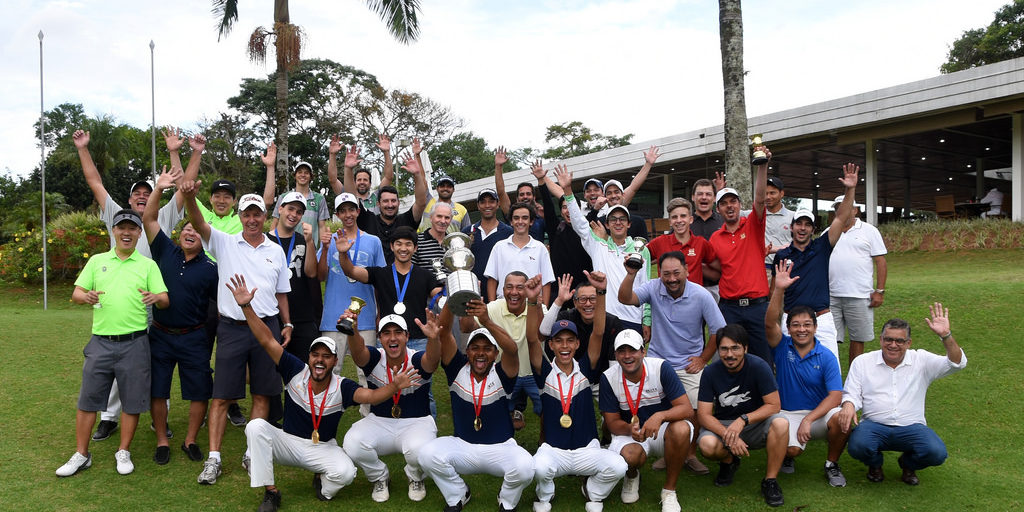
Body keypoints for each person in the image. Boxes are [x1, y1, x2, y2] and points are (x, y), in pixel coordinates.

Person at [224, 275, 416, 512]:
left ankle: (322, 482)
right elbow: (266, 339)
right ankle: (271, 492)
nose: (320, 361)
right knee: (255, 427)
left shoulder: (342, 386)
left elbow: (372, 398)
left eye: (326, 356)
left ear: (335, 360)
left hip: (322, 447)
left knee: (346, 473)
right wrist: (246, 306)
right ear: (309, 357)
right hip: (289, 443)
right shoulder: (295, 369)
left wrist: (394, 386)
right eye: (316, 355)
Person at [74, 128, 194, 440]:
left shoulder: (161, 216)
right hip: (119, 305)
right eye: (137, 193)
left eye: (147, 192)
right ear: (128, 200)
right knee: (114, 356)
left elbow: (183, 188)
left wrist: (177, 152)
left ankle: (159, 418)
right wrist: (84, 148)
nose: (142, 196)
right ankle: (110, 417)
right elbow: (95, 183)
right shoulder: (117, 215)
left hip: (156, 301)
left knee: (157, 362)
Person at [182, 180, 293, 485]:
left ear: (264, 214)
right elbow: (199, 222)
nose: (253, 219)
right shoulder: (225, 242)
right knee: (221, 396)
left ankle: (250, 453)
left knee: (261, 392)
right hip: (232, 327)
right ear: (240, 216)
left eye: (258, 213)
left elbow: (282, 292)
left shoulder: (275, 250)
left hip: (268, 327)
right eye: (247, 214)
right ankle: (214, 458)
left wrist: (287, 323)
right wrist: (190, 197)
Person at [57, 209, 169, 477]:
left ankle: (124, 451)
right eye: (122, 228)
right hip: (101, 342)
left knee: (132, 401)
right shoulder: (97, 261)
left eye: (132, 229)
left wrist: (156, 298)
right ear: (114, 231)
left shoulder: (148, 265)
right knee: (88, 400)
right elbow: (76, 292)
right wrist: (86, 298)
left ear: (139, 233)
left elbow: (165, 298)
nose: (126, 233)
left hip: (136, 342)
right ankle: (81, 454)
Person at [524, 271, 626, 512]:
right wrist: (531, 301)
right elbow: (531, 339)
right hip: (554, 451)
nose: (565, 346)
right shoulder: (545, 372)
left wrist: (601, 293)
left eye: (570, 340)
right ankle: (545, 494)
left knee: (619, 466)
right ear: (551, 345)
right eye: (559, 341)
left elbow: (599, 332)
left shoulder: (586, 369)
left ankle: (593, 492)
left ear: (578, 344)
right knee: (535, 467)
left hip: (587, 450)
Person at [418, 302, 534, 512]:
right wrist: (453, 299)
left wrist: (487, 321)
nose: (481, 354)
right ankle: (458, 493)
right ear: (467, 351)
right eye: (475, 348)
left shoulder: (503, 373)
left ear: (495, 354)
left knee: (526, 468)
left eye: (487, 349)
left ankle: (506, 500)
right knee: (426, 454)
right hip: (463, 446)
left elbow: (511, 348)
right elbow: (443, 334)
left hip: (501, 448)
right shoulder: (457, 369)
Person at [619, 251, 726, 475]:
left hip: (690, 364)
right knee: (657, 407)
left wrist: (703, 359)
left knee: (695, 408)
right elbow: (625, 298)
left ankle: (689, 454)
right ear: (659, 274)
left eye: (676, 273)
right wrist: (630, 274)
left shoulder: (701, 295)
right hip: (658, 360)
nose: (671, 279)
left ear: (686, 271)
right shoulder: (653, 287)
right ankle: (668, 452)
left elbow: (719, 330)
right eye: (666, 274)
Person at [837, 305, 966, 486]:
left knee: (937, 453)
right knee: (858, 446)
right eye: (888, 339)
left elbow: (957, 363)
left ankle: (908, 465)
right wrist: (849, 404)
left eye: (899, 341)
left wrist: (946, 336)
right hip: (874, 425)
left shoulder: (921, 360)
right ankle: (875, 465)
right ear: (881, 340)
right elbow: (851, 392)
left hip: (912, 427)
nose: (893, 345)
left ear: (908, 343)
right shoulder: (863, 362)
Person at [142, 168, 219, 465]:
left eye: (196, 231)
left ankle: (189, 440)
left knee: (199, 391)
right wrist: (159, 188)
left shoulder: (211, 268)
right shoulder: (165, 251)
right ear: (180, 233)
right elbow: (149, 219)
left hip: (195, 337)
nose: (190, 233)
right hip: (160, 334)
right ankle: (162, 439)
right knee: (158, 389)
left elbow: (220, 301)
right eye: (187, 229)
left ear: (203, 239)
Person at [341, 311, 440, 503]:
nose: (393, 338)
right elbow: (358, 352)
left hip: (416, 422)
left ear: (407, 336)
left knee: (420, 450)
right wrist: (352, 330)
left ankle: (415, 476)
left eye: (398, 332)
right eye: (386, 333)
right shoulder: (373, 358)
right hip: (380, 422)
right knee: (352, 443)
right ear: (379, 338)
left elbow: (433, 361)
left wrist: (434, 339)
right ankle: (379, 476)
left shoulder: (417, 359)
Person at [766, 260, 849, 487]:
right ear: (789, 328)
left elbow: (835, 396)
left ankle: (832, 464)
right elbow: (770, 323)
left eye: (806, 325)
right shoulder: (782, 346)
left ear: (815, 327)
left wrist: (809, 419)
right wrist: (779, 289)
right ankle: (788, 455)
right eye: (795, 325)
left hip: (818, 415)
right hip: (788, 413)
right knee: (792, 450)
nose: (801, 329)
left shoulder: (826, 356)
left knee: (843, 421)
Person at [550, 164, 652, 341]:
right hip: (604, 318)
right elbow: (578, 222)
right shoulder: (598, 245)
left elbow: (647, 285)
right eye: (613, 219)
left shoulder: (640, 250)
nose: (618, 223)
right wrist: (567, 189)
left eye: (622, 219)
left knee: (631, 365)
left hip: (633, 319)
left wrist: (647, 320)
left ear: (629, 224)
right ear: (607, 223)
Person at [771, 165, 859, 364]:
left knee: (830, 369)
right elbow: (774, 294)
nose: (802, 228)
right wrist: (775, 325)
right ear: (791, 227)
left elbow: (841, 217)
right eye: (799, 224)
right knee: (792, 371)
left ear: (813, 229)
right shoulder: (782, 256)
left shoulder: (823, 246)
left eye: (807, 224)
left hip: (822, 320)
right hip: (791, 321)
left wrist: (850, 189)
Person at [598, 330, 693, 512]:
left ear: (643, 351)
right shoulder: (608, 377)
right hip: (631, 433)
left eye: (632, 350)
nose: (627, 356)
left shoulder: (661, 368)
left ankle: (669, 491)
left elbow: (686, 409)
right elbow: (611, 423)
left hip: (661, 429)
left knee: (681, 429)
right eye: (622, 351)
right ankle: (632, 475)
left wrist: (660, 416)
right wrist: (629, 429)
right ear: (616, 354)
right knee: (631, 456)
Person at [696, 324, 789, 507]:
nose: (729, 354)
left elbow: (774, 405)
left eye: (735, 348)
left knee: (781, 423)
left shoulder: (759, 366)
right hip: (723, 425)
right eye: (724, 349)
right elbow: (704, 415)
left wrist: (743, 419)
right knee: (707, 445)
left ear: (745, 348)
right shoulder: (710, 372)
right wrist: (727, 435)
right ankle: (729, 461)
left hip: (753, 423)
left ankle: (770, 481)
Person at [318, 193, 386, 405]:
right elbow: (321, 276)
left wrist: (380, 314)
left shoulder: (373, 241)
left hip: (364, 317)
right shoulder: (331, 240)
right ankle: (325, 414)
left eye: (351, 209)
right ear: (337, 214)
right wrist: (327, 249)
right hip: (333, 317)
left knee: (367, 371)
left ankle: (370, 417)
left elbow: (380, 281)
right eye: (343, 211)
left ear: (358, 211)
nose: (348, 214)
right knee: (329, 369)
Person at [708, 145, 772, 364]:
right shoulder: (715, 238)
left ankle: (768, 398)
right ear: (719, 210)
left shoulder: (753, 224)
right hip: (730, 308)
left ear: (740, 204)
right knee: (730, 357)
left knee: (762, 358)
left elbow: (761, 199)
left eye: (732, 201)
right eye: (724, 204)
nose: (729, 206)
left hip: (757, 306)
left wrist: (762, 167)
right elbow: (713, 266)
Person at [460, 272, 543, 432]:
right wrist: (469, 302)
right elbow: (465, 327)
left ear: (527, 290)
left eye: (520, 288)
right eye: (509, 287)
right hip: (502, 375)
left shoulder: (536, 306)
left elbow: (541, 334)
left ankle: (544, 442)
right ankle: (503, 440)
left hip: (533, 373)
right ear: (502, 290)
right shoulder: (493, 307)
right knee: (496, 412)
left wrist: (536, 305)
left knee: (549, 408)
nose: (513, 292)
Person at [827, 195, 888, 363]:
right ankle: (833, 380)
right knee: (830, 339)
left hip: (860, 296)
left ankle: (855, 381)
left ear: (855, 210)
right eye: (838, 207)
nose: (842, 210)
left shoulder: (869, 231)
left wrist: (879, 291)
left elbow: (880, 261)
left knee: (858, 339)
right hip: (831, 296)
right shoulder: (830, 231)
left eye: (846, 206)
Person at [267, 192, 321, 358]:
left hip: (302, 316)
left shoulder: (303, 240)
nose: (294, 215)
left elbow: (311, 273)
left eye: (299, 212)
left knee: (304, 372)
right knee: (272, 371)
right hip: (272, 317)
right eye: (290, 209)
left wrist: (310, 241)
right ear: (281, 209)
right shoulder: (265, 241)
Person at [354, 150, 429, 263]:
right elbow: (352, 197)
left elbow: (421, 202)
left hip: (402, 277)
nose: (390, 205)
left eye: (393, 201)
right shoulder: (368, 219)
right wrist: (348, 169)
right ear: (378, 204)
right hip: (373, 277)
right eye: (385, 201)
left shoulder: (406, 220)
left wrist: (417, 175)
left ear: (398, 203)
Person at [534, 162, 593, 289]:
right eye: (564, 207)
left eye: (571, 207)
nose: (568, 211)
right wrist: (541, 181)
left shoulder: (588, 228)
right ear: (561, 211)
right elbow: (548, 205)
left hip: (585, 289)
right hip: (560, 290)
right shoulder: (556, 228)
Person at [483, 201, 555, 303]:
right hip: (503, 304)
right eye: (516, 218)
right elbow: (492, 280)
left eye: (525, 218)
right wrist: (492, 306)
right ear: (511, 222)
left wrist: (544, 310)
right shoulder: (499, 247)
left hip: (531, 304)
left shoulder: (540, 248)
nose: (520, 221)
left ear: (531, 221)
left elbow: (546, 282)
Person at [646, 197, 719, 286]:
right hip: (666, 298)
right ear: (670, 222)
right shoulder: (659, 242)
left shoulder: (701, 243)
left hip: (694, 298)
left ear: (691, 219)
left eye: (683, 216)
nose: (679, 220)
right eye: (674, 217)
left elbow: (719, 267)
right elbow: (639, 258)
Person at [267, 161, 329, 247]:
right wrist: (271, 245)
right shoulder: (283, 197)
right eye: (299, 172)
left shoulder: (319, 199)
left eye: (306, 173)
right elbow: (275, 222)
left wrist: (324, 250)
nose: (303, 175)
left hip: (310, 249)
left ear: (311, 177)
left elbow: (322, 227)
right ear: (295, 175)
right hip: (284, 248)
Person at [328, 133, 395, 213]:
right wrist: (332, 155)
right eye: (359, 180)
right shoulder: (347, 195)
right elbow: (333, 180)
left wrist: (386, 152)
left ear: (370, 183)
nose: (362, 182)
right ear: (354, 182)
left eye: (365, 180)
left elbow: (389, 177)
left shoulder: (377, 197)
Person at [462, 187, 512, 290]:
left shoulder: (509, 232)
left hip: (501, 291)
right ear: (478, 206)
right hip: (473, 289)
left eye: (491, 201)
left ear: (498, 204)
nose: (487, 205)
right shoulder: (466, 232)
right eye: (483, 202)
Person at [494, 146, 545, 242]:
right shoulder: (511, 213)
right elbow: (501, 193)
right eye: (521, 194)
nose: (525, 196)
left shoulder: (541, 217)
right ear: (517, 199)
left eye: (528, 194)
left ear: (534, 197)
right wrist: (498, 167)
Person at [412, 202, 454, 268]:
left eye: (447, 218)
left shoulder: (454, 243)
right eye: (439, 216)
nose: (443, 221)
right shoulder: (417, 241)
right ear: (431, 218)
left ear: (451, 220)